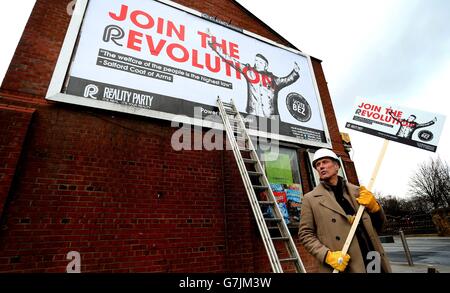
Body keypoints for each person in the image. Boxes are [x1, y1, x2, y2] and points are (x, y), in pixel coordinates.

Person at [298, 148, 392, 273]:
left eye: (325, 162)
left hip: (372, 258)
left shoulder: (358, 192)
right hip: (345, 265)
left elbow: (381, 226)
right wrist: (326, 255)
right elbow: (305, 234)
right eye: (317, 165)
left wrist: (375, 208)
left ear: (337, 166)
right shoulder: (310, 199)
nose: (321, 167)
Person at [208, 39, 300, 118]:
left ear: (266, 66)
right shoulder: (249, 71)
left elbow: (287, 80)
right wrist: (215, 46)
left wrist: (295, 72)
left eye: (260, 62)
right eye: (256, 61)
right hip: (253, 115)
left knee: (273, 138)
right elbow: (231, 60)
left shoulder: (274, 80)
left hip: (272, 118)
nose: (257, 63)